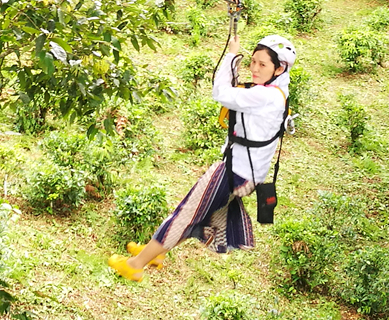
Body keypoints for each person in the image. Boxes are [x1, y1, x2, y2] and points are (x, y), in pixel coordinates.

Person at [109, 32, 295, 281]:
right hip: (246, 174)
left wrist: (231, 55)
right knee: (193, 211)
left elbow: (221, 93)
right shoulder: (278, 92)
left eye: (263, 64)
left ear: (279, 68)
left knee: (185, 214)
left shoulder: (264, 96)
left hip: (234, 172)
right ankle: (155, 252)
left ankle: (135, 264)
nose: (254, 68)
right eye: (253, 61)